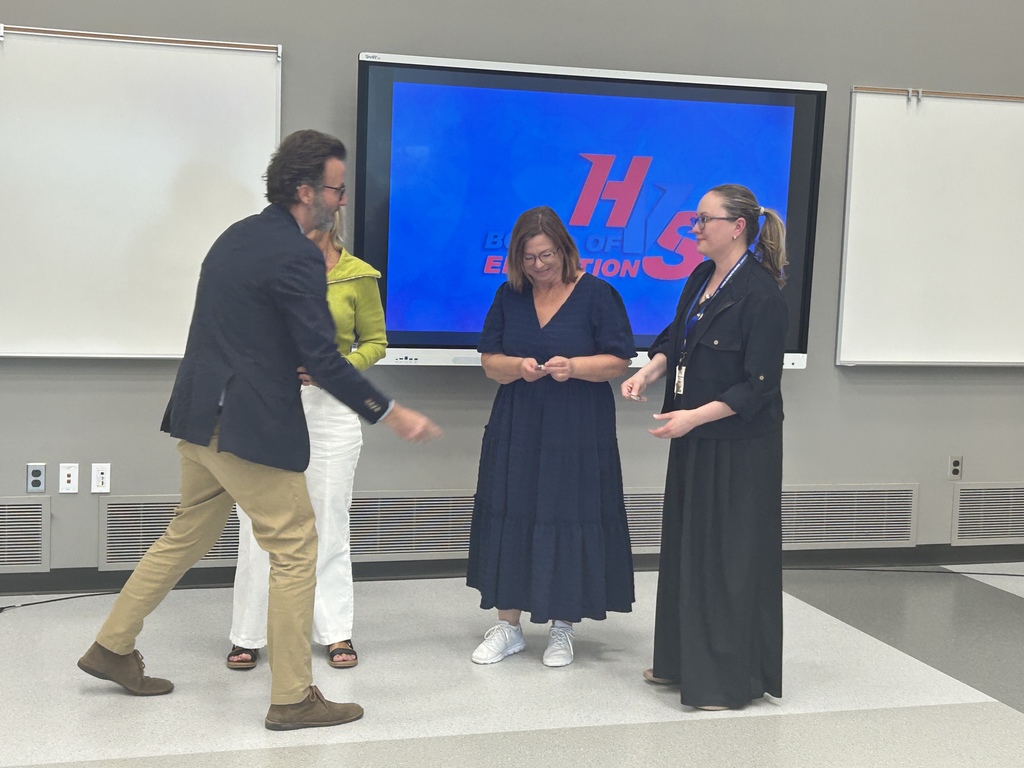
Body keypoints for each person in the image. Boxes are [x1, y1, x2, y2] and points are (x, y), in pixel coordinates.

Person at [77, 129, 442, 731]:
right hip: (242, 425)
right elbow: (322, 360)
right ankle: (295, 697)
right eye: (337, 189)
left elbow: (239, 333)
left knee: (184, 535)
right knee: (297, 543)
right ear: (306, 191)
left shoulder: (235, 237)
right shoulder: (296, 255)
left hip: (199, 418)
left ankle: (112, 646)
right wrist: (392, 412)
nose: (342, 200)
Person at [620, 183, 787, 710]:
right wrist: (650, 370)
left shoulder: (761, 293)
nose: (694, 229)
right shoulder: (700, 277)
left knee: (727, 559)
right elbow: (678, 337)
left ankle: (725, 681)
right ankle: (678, 662)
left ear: (737, 226)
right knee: (688, 551)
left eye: (703, 220)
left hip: (738, 446)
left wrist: (693, 416)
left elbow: (757, 386)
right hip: (694, 436)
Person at [466, 205, 636, 668]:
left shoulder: (598, 294)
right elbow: (489, 362)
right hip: (519, 422)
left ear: (564, 248)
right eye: (529, 259)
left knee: (569, 512)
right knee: (511, 511)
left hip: (578, 426)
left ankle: (563, 626)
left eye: (546, 256)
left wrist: (575, 367)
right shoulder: (508, 296)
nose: (539, 266)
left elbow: (619, 359)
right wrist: (518, 368)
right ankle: (508, 626)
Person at [227, 207, 386, 672]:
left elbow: (375, 341)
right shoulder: (265, 268)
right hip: (266, 405)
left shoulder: (359, 275)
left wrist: (336, 369)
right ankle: (248, 635)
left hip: (331, 410)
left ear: (333, 216)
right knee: (259, 526)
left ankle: (335, 632)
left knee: (330, 521)